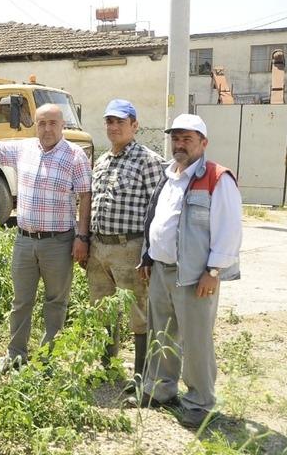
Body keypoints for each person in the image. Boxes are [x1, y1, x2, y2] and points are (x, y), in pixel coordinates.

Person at [0, 104, 92, 368]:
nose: (47, 129)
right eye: (41, 123)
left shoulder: (75, 155)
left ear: (62, 124)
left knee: (55, 302)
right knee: (21, 300)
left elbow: (85, 196)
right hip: (24, 240)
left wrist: (82, 236)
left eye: (52, 123)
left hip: (59, 241)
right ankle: (16, 354)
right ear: (35, 124)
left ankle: (48, 359)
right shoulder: (25, 149)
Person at [132, 113, 242, 429]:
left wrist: (214, 270)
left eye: (187, 139)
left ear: (203, 143)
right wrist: (148, 258)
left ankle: (200, 402)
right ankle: (161, 390)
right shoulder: (169, 176)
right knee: (161, 333)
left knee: (196, 341)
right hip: (161, 272)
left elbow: (229, 229)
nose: (179, 145)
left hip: (195, 276)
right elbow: (157, 221)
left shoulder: (217, 178)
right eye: (176, 138)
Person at [86, 100, 164, 389]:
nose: (113, 127)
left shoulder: (148, 160)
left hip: (130, 248)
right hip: (99, 249)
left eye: (120, 121)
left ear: (134, 125)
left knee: (138, 312)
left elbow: (158, 208)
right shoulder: (102, 161)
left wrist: (148, 254)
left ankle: (141, 375)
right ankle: (109, 367)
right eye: (109, 121)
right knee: (103, 309)